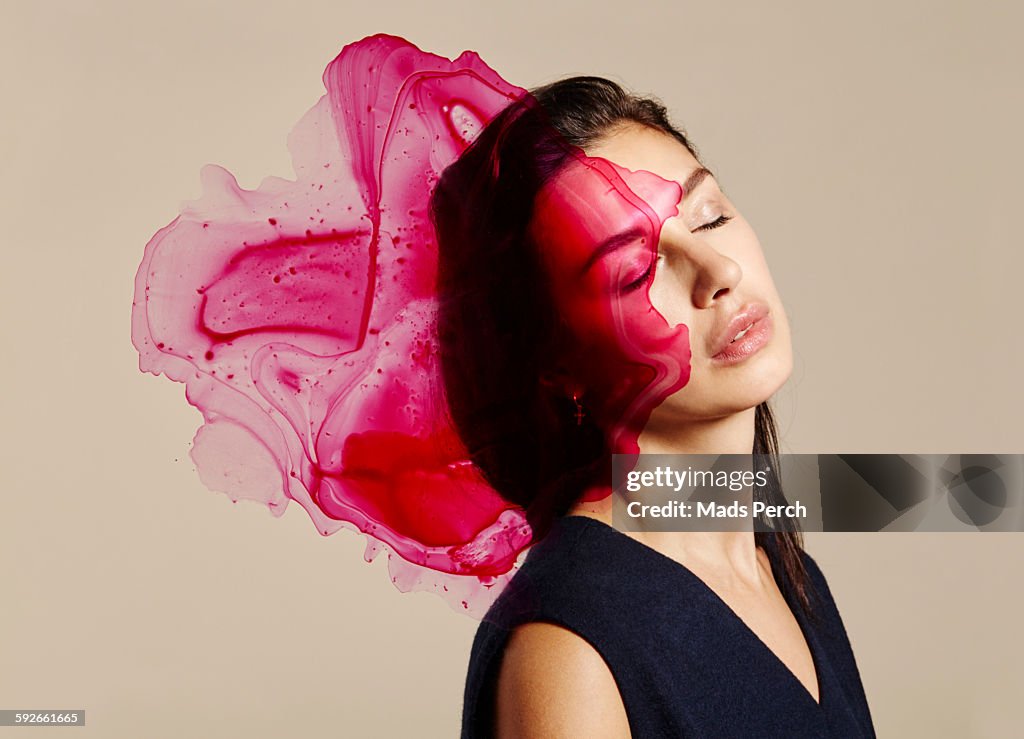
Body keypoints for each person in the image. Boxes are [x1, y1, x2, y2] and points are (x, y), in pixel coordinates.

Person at [431, 76, 875, 738]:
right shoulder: (569, 650)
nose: (717, 271)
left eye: (710, 216)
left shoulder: (788, 572)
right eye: (634, 272)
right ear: (556, 362)